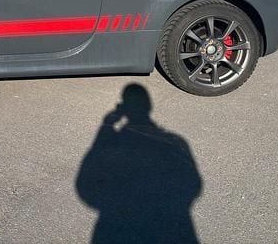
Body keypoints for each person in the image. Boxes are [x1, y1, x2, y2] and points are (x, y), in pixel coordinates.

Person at [76, 84, 202, 243]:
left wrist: (106, 127)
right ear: (149, 106)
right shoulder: (175, 142)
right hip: (173, 224)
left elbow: (86, 184)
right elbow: (194, 184)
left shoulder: (114, 143)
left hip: (117, 225)